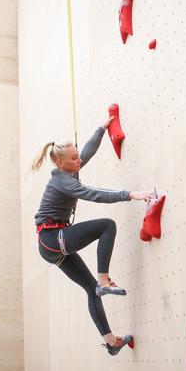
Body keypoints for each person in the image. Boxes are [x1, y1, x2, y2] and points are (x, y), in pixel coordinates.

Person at [31, 116, 154, 355]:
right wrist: (130, 194)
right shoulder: (63, 182)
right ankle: (104, 279)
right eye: (74, 158)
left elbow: (87, 151)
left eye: (77, 156)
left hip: (52, 243)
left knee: (90, 290)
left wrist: (101, 129)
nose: (79, 160)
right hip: (51, 238)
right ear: (60, 163)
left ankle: (111, 342)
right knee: (106, 226)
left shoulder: (71, 167)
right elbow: (93, 194)